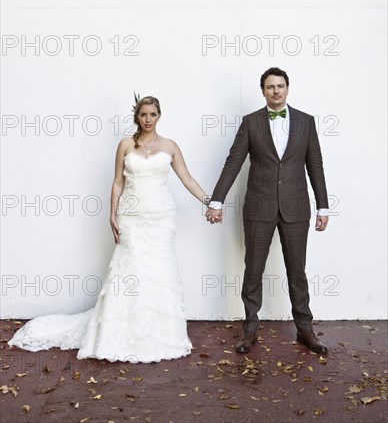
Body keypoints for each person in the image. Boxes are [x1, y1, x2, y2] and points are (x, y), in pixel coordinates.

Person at [8, 96, 209, 363]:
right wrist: (111, 214)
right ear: (137, 116)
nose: (148, 119)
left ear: (160, 116)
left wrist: (210, 201)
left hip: (161, 218)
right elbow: (117, 182)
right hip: (132, 217)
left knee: (159, 270)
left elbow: (187, 179)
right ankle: (118, 334)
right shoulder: (126, 145)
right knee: (129, 271)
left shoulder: (170, 146)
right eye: (143, 115)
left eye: (152, 114)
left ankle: (160, 335)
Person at [205, 68, 329, 355]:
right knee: (254, 270)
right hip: (258, 207)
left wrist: (323, 205)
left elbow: (316, 166)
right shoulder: (251, 123)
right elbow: (233, 162)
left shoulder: (306, 122)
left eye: (280, 86)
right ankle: (249, 330)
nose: (276, 91)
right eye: (270, 87)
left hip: (296, 208)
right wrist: (216, 200)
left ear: (288, 89)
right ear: (262, 91)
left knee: (297, 272)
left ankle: (305, 330)